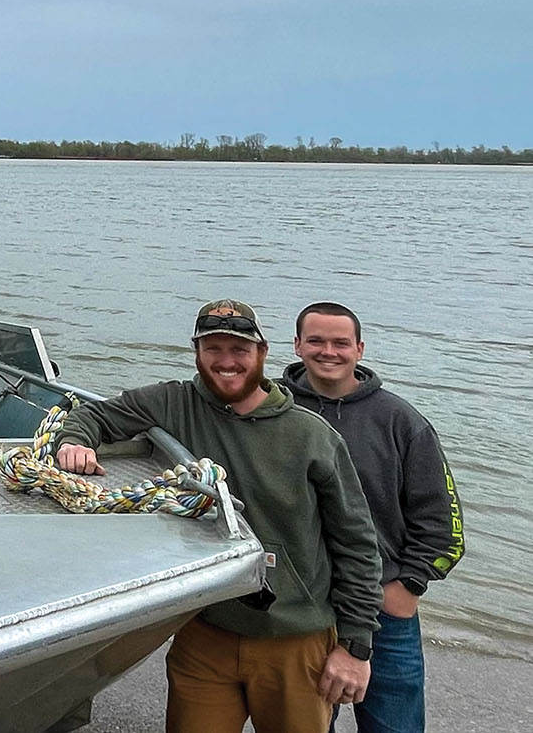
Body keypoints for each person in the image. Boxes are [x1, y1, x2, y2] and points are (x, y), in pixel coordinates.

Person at [52, 299, 383, 733]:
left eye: (239, 350)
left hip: (295, 639)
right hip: (204, 631)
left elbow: (357, 543)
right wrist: (75, 443)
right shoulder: (174, 403)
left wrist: (356, 648)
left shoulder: (312, 436)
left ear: (262, 352)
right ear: (197, 353)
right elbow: (92, 414)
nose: (227, 362)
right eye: (214, 349)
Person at [281, 301, 465, 733]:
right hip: (298, 608)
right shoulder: (270, 408)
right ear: (297, 345)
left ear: (359, 349)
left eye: (341, 342)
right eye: (317, 341)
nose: (329, 351)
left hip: (384, 611)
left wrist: (408, 587)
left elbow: (445, 528)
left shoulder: (401, 422)